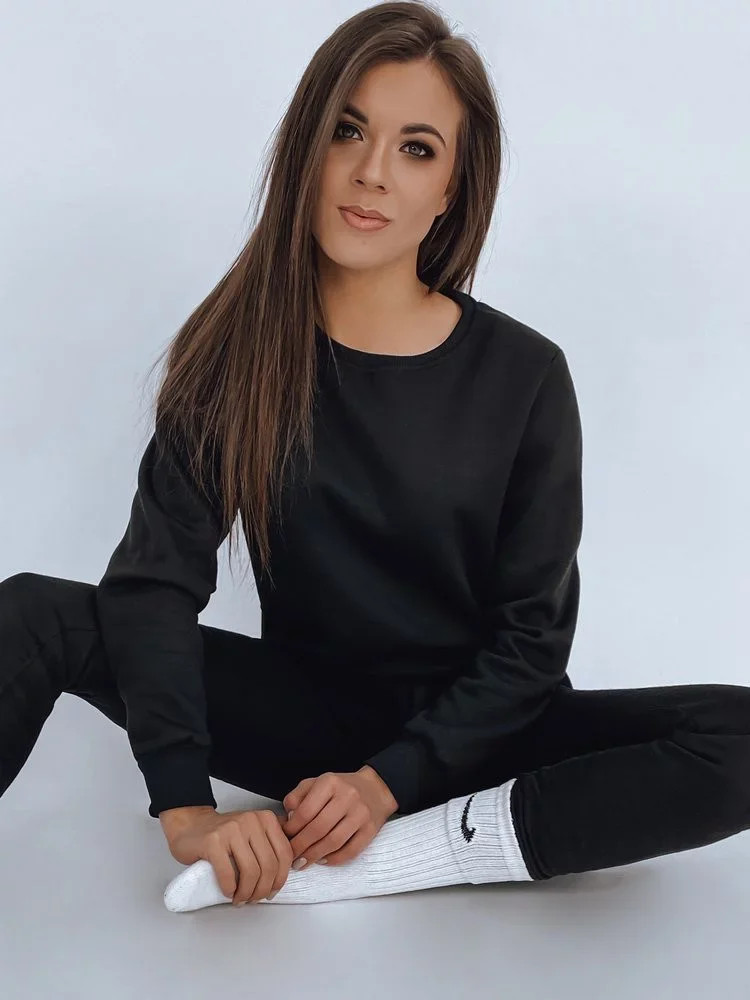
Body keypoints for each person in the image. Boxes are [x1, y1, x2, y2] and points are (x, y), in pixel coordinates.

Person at [2, 1, 749, 913]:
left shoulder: (524, 374)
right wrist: (186, 809)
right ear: (306, 148)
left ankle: (418, 851)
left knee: (739, 737)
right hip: (306, 726)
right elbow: (154, 585)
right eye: (348, 131)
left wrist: (385, 786)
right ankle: (376, 833)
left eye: (416, 149)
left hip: (482, 740)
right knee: (32, 614)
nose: (371, 173)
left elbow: (531, 643)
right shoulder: (242, 357)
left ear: (452, 189)